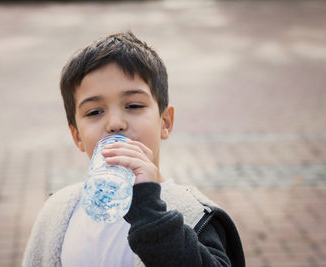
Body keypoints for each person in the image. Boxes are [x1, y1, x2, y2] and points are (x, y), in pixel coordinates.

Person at [22, 32, 245, 267]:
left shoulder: (195, 215)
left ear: (165, 122)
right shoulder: (57, 214)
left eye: (134, 105)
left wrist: (149, 212)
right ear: (77, 136)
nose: (115, 123)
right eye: (95, 112)